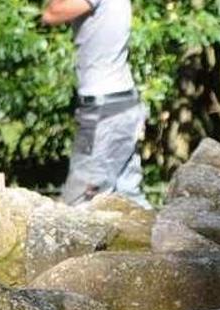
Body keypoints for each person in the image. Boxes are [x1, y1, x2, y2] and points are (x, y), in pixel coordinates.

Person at [42, 0, 150, 208]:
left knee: (79, 205)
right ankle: (170, 238)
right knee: (129, 201)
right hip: (124, 103)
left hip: (103, 110)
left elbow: (52, 13)